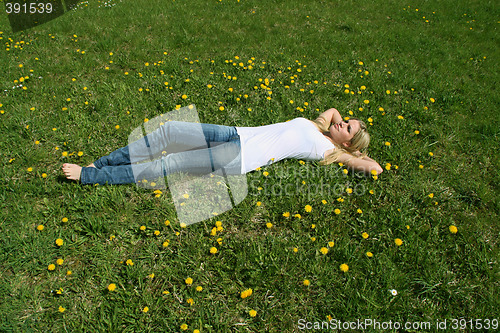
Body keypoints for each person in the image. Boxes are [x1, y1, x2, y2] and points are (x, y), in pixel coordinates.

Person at [62, 107, 383, 185]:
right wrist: (340, 127)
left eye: (348, 128)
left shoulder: (331, 152)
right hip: (235, 132)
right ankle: (102, 163)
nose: (342, 122)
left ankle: (91, 176)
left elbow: (373, 168)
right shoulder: (321, 127)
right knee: (170, 129)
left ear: (349, 143)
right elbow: (332, 113)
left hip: (239, 155)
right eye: (347, 120)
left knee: (169, 163)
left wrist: (355, 154)